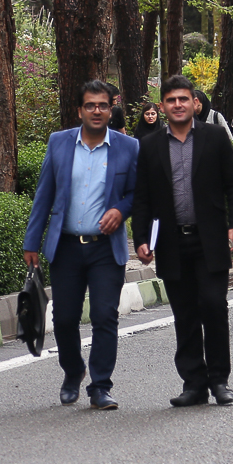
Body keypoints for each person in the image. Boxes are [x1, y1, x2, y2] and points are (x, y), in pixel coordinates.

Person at [23, 80, 140, 411]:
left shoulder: (128, 147)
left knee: (104, 316)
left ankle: (100, 386)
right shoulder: (59, 143)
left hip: (106, 248)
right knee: (64, 318)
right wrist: (32, 242)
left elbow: (137, 192)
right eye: (90, 105)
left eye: (103, 105)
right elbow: (44, 194)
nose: (97, 111)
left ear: (111, 109)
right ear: (79, 110)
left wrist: (121, 210)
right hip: (66, 247)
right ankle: (73, 370)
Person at [132, 75, 233, 407]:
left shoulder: (214, 137)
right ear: (162, 106)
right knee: (184, 314)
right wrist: (141, 239)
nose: (178, 105)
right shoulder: (150, 145)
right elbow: (142, 198)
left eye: (183, 99)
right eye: (171, 100)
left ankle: (219, 379)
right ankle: (193, 383)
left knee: (213, 306)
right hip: (171, 243)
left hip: (209, 239)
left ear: (194, 103)